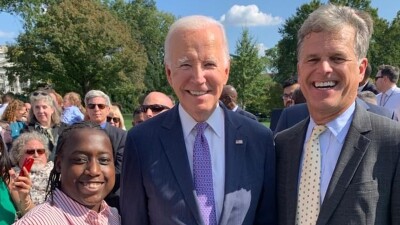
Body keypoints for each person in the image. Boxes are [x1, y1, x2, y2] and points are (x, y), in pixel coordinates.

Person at [121, 15, 276, 225]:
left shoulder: (259, 139)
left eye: (209, 64)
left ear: (226, 71)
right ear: (169, 73)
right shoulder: (141, 141)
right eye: (185, 64)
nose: (198, 78)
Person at [275, 4, 400, 225]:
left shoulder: (392, 142)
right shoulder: (282, 145)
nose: (324, 69)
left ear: (361, 69)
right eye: (312, 59)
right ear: (300, 68)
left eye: (337, 58)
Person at [13, 122, 120, 224]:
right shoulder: (36, 222)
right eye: (80, 159)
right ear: (59, 164)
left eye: (104, 160)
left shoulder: (113, 216)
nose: (94, 170)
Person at [84, 90, 126, 211]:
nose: (96, 109)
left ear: (108, 110)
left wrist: (97, 187)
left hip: (111, 198)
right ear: (87, 109)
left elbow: (120, 169)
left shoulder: (121, 136)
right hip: (82, 195)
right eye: (91, 106)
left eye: (101, 106)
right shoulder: (76, 134)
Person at [9, 132, 53, 206]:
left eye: (40, 151)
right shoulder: (11, 177)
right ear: (18, 156)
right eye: (30, 152)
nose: (36, 155)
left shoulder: (59, 172)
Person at [25, 90, 66, 161]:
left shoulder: (65, 128)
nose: (41, 111)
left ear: (52, 109)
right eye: (37, 107)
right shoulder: (27, 131)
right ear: (33, 111)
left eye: (44, 107)